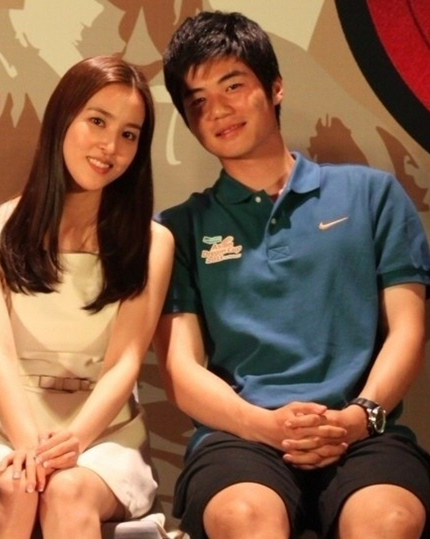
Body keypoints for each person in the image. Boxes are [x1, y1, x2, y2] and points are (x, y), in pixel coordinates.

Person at [153, 11, 430, 539]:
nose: (219, 110)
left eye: (233, 86)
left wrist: (358, 418)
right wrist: (264, 426)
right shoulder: (178, 229)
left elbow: (408, 331)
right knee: (244, 518)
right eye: (198, 102)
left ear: (275, 87)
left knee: (389, 521)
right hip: (239, 436)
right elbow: (179, 370)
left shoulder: (372, 195)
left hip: (362, 430)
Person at [0, 55, 173, 539]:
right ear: (62, 119)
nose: (110, 146)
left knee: (67, 491)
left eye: (129, 134)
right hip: (2, 426)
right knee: (16, 486)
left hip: (104, 433)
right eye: (97, 121)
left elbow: (125, 362)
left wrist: (72, 443)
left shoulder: (153, 243)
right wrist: (30, 447)